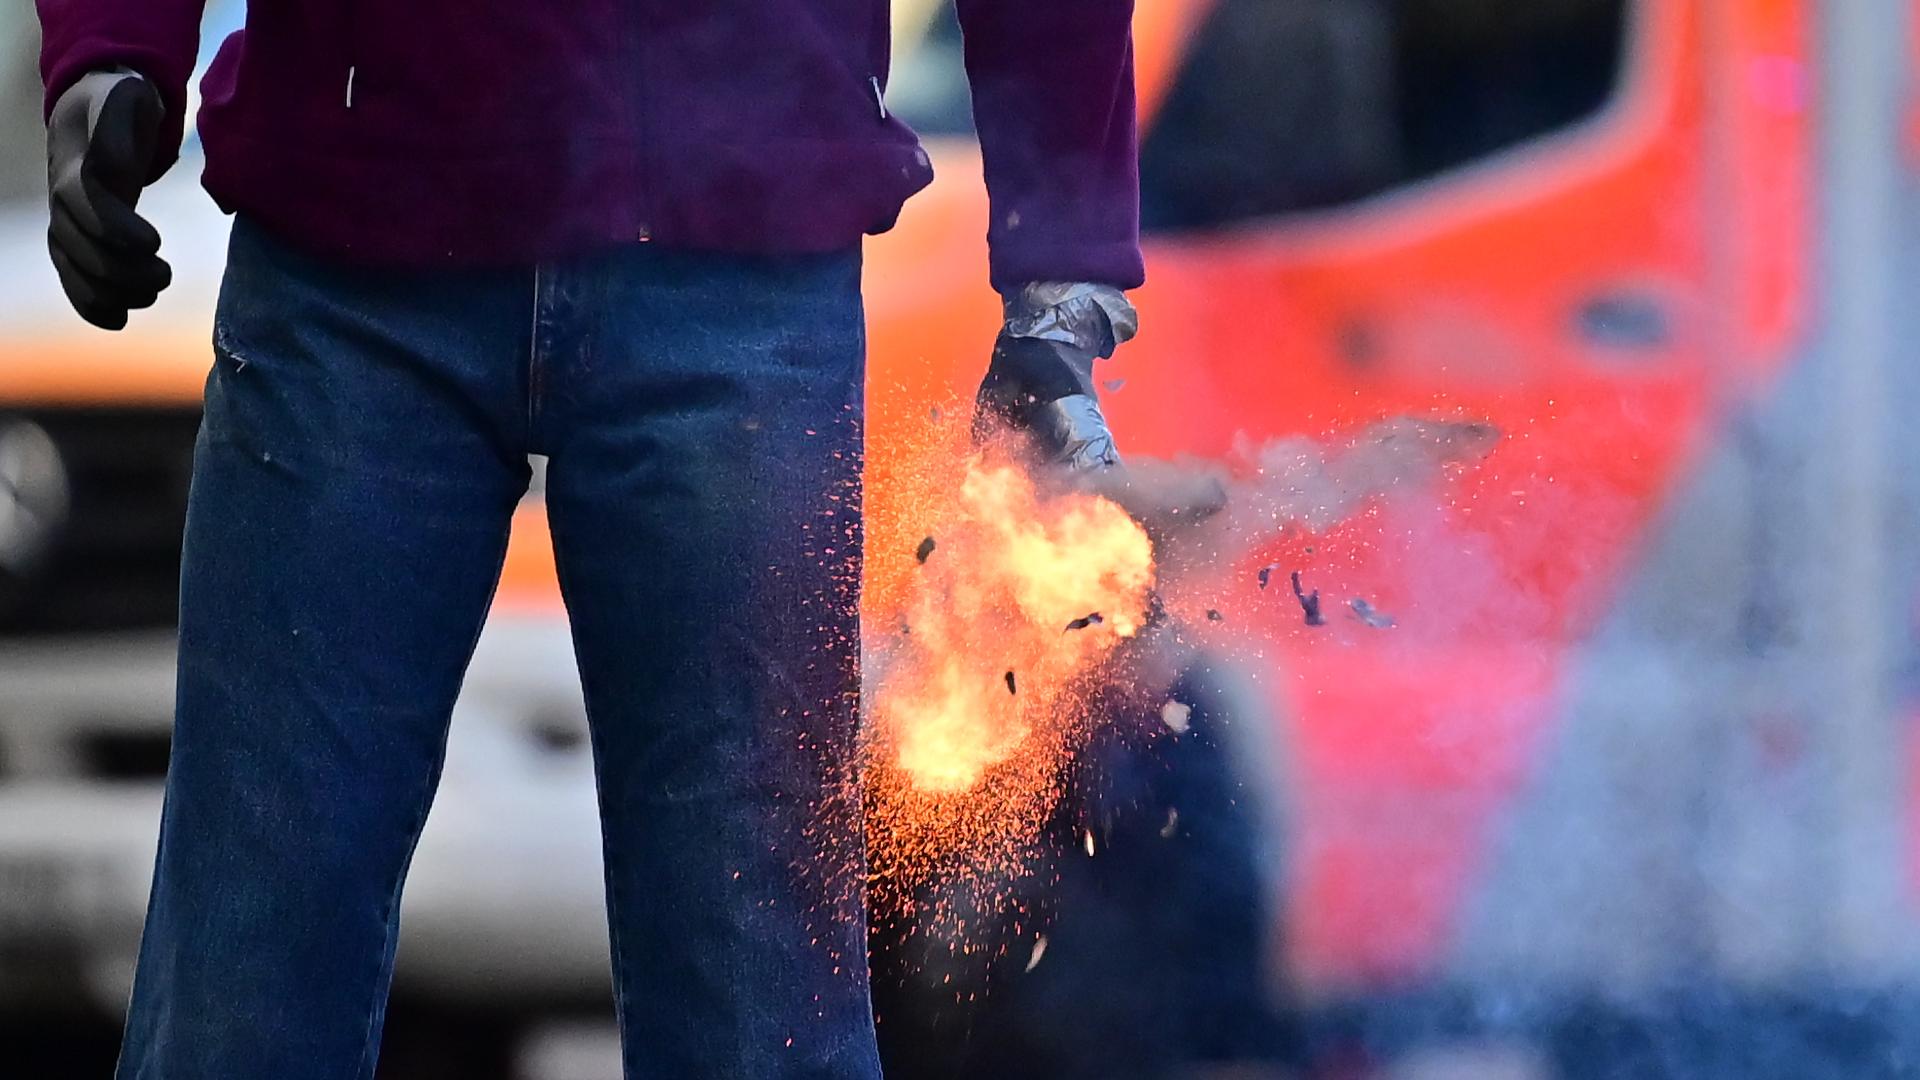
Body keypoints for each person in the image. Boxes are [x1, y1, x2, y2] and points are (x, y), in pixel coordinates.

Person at [35, 2, 1142, 1077]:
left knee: (751, 979)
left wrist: (1063, 280)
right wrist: (111, 44)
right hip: (363, 248)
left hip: (720, 252)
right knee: (253, 954)